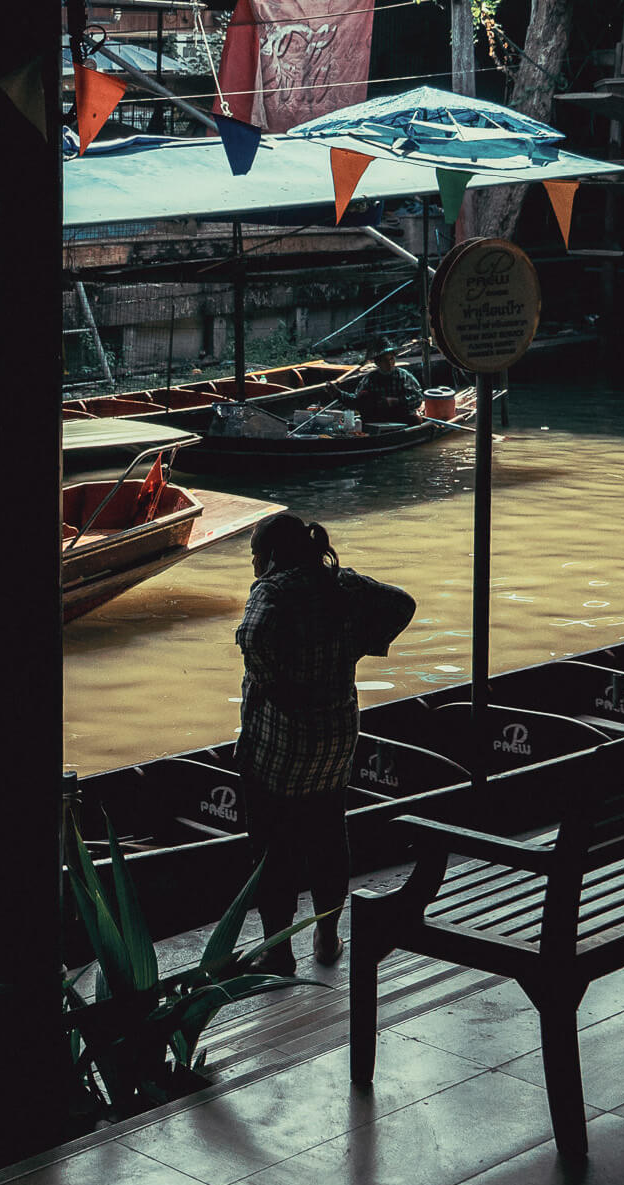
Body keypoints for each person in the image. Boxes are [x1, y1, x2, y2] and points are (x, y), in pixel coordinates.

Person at [236, 512, 416, 975]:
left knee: (272, 852)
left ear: (272, 555)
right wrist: (361, 642)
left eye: (256, 554)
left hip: (278, 746)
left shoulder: (272, 591)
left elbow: (253, 637)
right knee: (328, 836)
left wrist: (274, 683)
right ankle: (327, 936)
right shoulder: (341, 584)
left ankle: (278, 952)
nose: (254, 564)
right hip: (334, 739)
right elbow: (401, 603)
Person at [338, 345, 424, 424]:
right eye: (385, 360)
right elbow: (357, 401)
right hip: (378, 419)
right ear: (377, 363)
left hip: (401, 416)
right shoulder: (370, 379)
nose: (389, 363)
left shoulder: (404, 376)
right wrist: (338, 394)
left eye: (391, 359)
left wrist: (396, 401)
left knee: (415, 419)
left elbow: (418, 398)